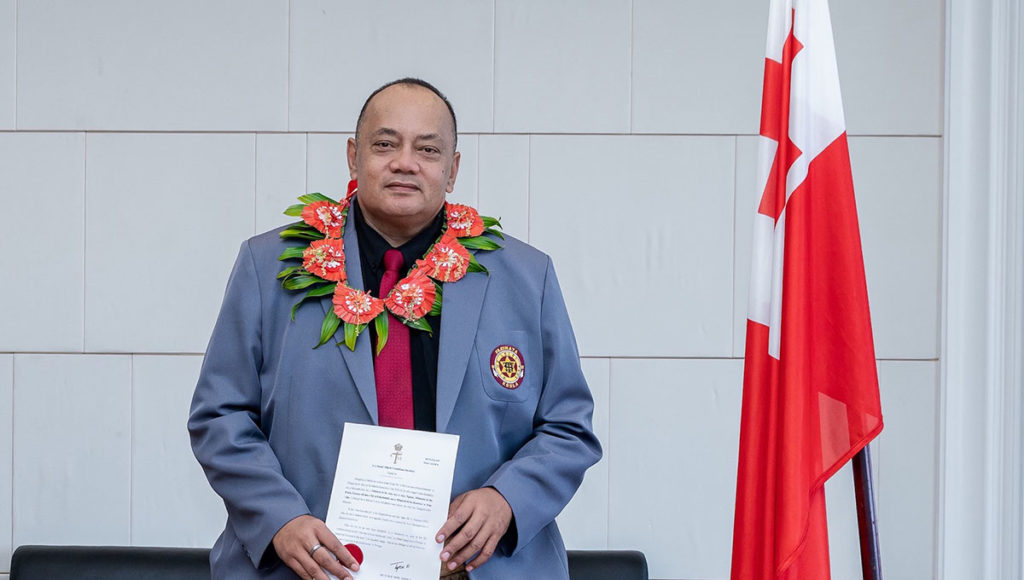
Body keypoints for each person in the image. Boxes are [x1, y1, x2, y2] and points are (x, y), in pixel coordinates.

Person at [189, 78, 601, 580]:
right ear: (352, 156)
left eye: (428, 149)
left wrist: (506, 499)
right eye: (385, 144)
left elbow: (569, 428)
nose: (405, 162)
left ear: (452, 170)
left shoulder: (524, 277)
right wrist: (281, 518)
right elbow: (220, 415)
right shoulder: (268, 267)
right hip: (311, 570)